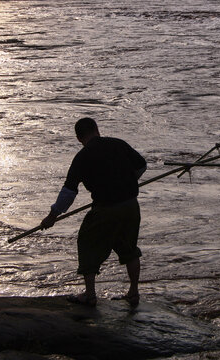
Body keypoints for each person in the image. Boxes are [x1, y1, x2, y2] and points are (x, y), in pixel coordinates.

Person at [40, 117, 146, 307]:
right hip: (131, 205)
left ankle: (90, 295)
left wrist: (52, 217)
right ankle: (133, 293)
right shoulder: (118, 144)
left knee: (87, 243)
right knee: (129, 248)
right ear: (97, 129)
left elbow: (69, 192)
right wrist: (128, 181)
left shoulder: (83, 157)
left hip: (106, 208)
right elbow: (141, 165)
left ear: (78, 138)